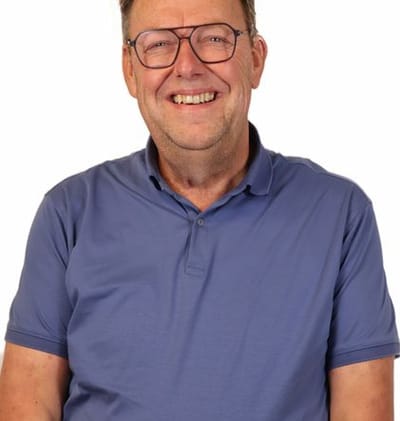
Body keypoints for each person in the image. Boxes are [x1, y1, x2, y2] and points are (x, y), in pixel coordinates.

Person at [0, 0, 398, 419]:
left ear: (256, 59)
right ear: (130, 70)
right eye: (159, 44)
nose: (187, 66)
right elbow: (25, 405)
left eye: (214, 38)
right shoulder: (69, 213)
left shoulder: (339, 214)